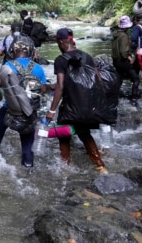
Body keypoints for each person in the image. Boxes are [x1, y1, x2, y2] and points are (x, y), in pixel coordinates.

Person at [45, 28, 108, 173]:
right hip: (87, 105)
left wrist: (51, 110)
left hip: (70, 106)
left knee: (63, 135)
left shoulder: (61, 60)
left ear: (61, 42)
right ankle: (100, 166)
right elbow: (98, 80)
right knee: (85, 133)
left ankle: (65, 167)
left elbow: (61, 86)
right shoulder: (87, 56)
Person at [0, 39, 48, 168]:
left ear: (13, 52)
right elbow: (43, 89)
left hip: (10, 109)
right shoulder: (38, 68)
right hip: (30, 111)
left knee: (1, 125)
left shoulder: (8, 65)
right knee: (27, 139)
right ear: (30, 52)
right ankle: (27, 164)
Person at [112, 15, 141, 104]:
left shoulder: (116, 35)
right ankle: (134, 98)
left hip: (115, 61)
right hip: (123, 61)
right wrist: (130, 58)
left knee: (120, 79)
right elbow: (123, 51)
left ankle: (114, 95)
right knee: (136, 79)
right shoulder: (124, 36)